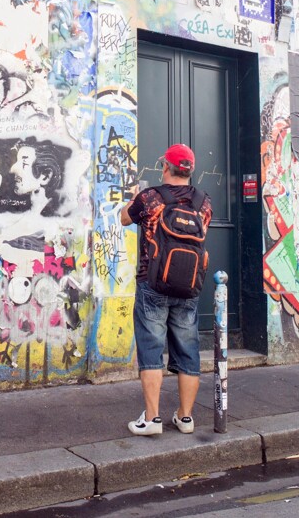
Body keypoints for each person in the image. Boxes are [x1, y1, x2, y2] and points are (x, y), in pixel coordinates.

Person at [120, 143, 212, 436]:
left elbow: (124, 218)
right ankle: (185, 418)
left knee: (151, 348)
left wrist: (133, 200)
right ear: (190, 170)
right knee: (188, 349)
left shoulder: (150, 198)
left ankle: (152, 419)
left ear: (165, 168)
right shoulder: (204, 203)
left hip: (153, 283)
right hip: (188, 285)